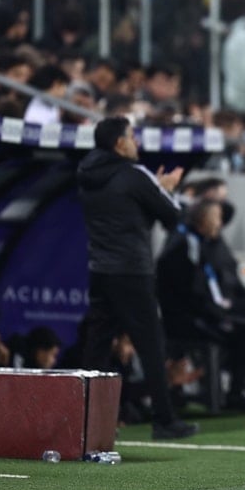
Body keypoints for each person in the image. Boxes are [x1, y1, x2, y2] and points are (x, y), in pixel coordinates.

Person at [77, 115, 198, 440]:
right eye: (132, 136)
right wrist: (164, 189)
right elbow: (172, 215)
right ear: (119, 143)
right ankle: (164, 420)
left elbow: (129, 212)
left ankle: (83, 422)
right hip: (132, 272)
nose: (137, 143)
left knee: (96, 348)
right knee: (151, 345)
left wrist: (152, 192)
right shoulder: (133, 174)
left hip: (100, 271)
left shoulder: (86, 173)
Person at [156, 198, 245, 412]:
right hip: (185, 319)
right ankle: (233, 393)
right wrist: (216, 314)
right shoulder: (185, 246)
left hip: (200, 312)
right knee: (244, 331)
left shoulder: (200, 244)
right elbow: (187, 293)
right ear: (202, 219)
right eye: (216, 218)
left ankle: (234, 390)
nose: (219, 223)